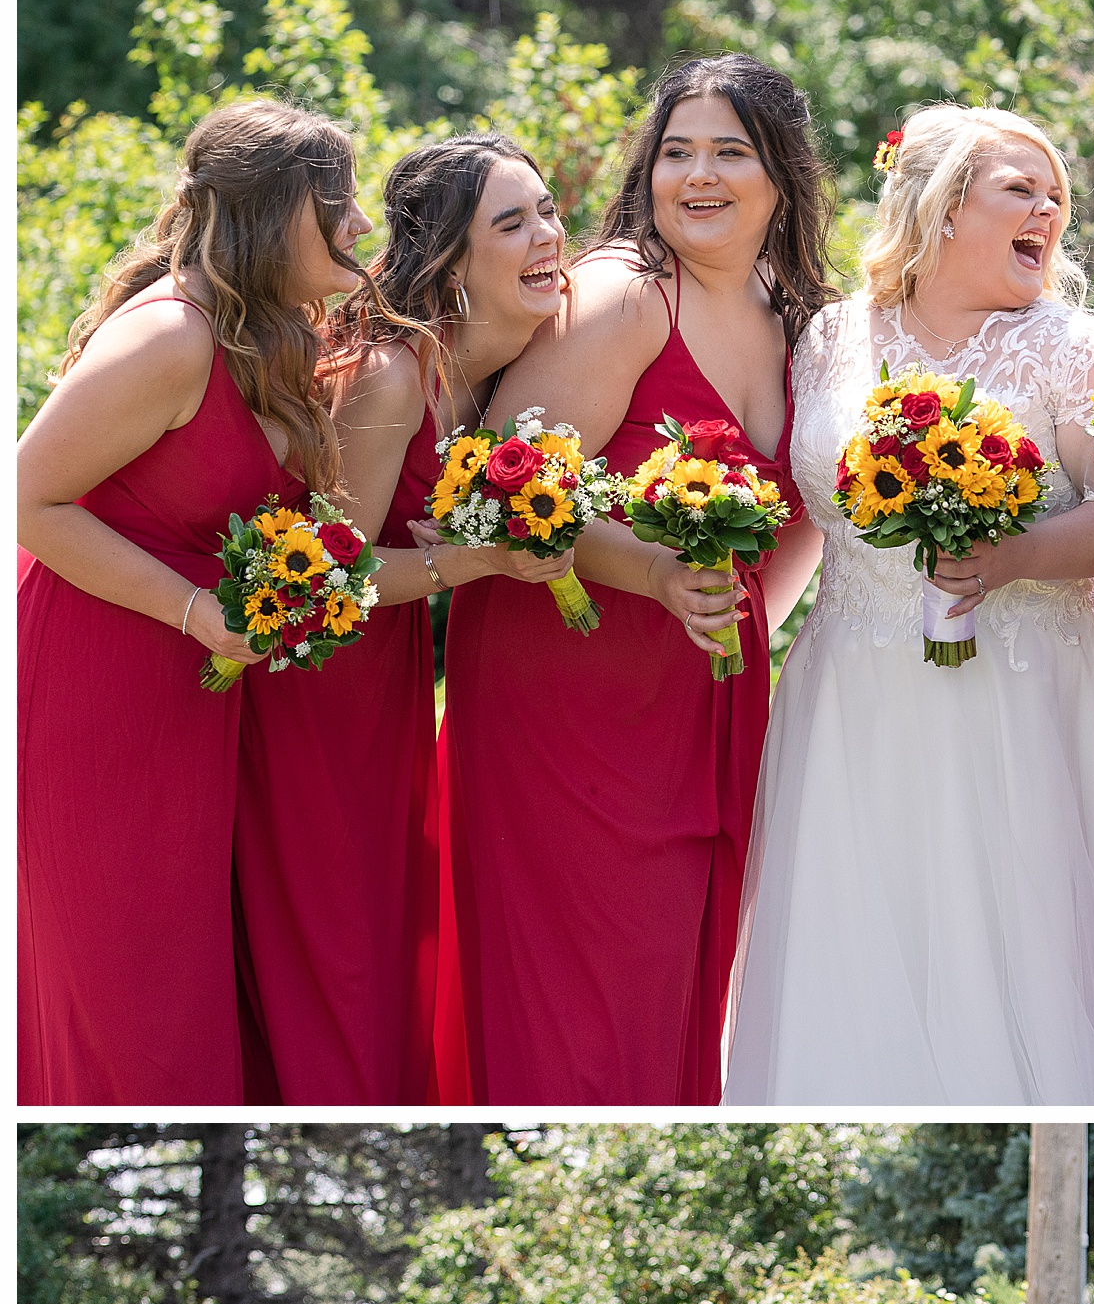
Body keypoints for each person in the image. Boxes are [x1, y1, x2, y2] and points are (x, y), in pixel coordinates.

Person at [723, 104, 1094, 1105]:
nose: (1048, 208)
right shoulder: (831, 336)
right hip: (851, 686)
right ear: (940, 205)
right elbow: (809, 512)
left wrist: (1015, 555)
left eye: (1055, 194)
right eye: (1022, 188)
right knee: (857, 937)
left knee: (1011, 942)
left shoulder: (1075, 346)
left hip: (1023, 683)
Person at [445, 57, 832, 1102]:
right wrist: (657, 574)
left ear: (783, 177)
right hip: (567, 694)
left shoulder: (798, 315)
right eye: (676, 153)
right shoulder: (620, 298)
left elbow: (803, 520)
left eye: (728, 153)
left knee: (677, 1001)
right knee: (588, 1006)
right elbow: (495, 488)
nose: (696, 176)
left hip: (705, 701)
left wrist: (739, 626)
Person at [19, 101, 369, 1104]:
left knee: (181, 977)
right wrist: (188, 608)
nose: (356, 225)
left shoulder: (270, 335)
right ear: (270, 217)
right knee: (129, 1002)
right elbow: (27, 499)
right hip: (102, 684)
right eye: (334, 204)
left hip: (193, 692)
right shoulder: (173, 336)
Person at [237, 136, 575, 1104]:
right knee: (343, 950)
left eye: (548, 211)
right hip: (316, 699)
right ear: (450, 260)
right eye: (511, 223)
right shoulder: (392, 376)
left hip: (390, 690)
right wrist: (484, 557)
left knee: (390, 940)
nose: (549, 236)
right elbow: (319, 581)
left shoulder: (512, 363)